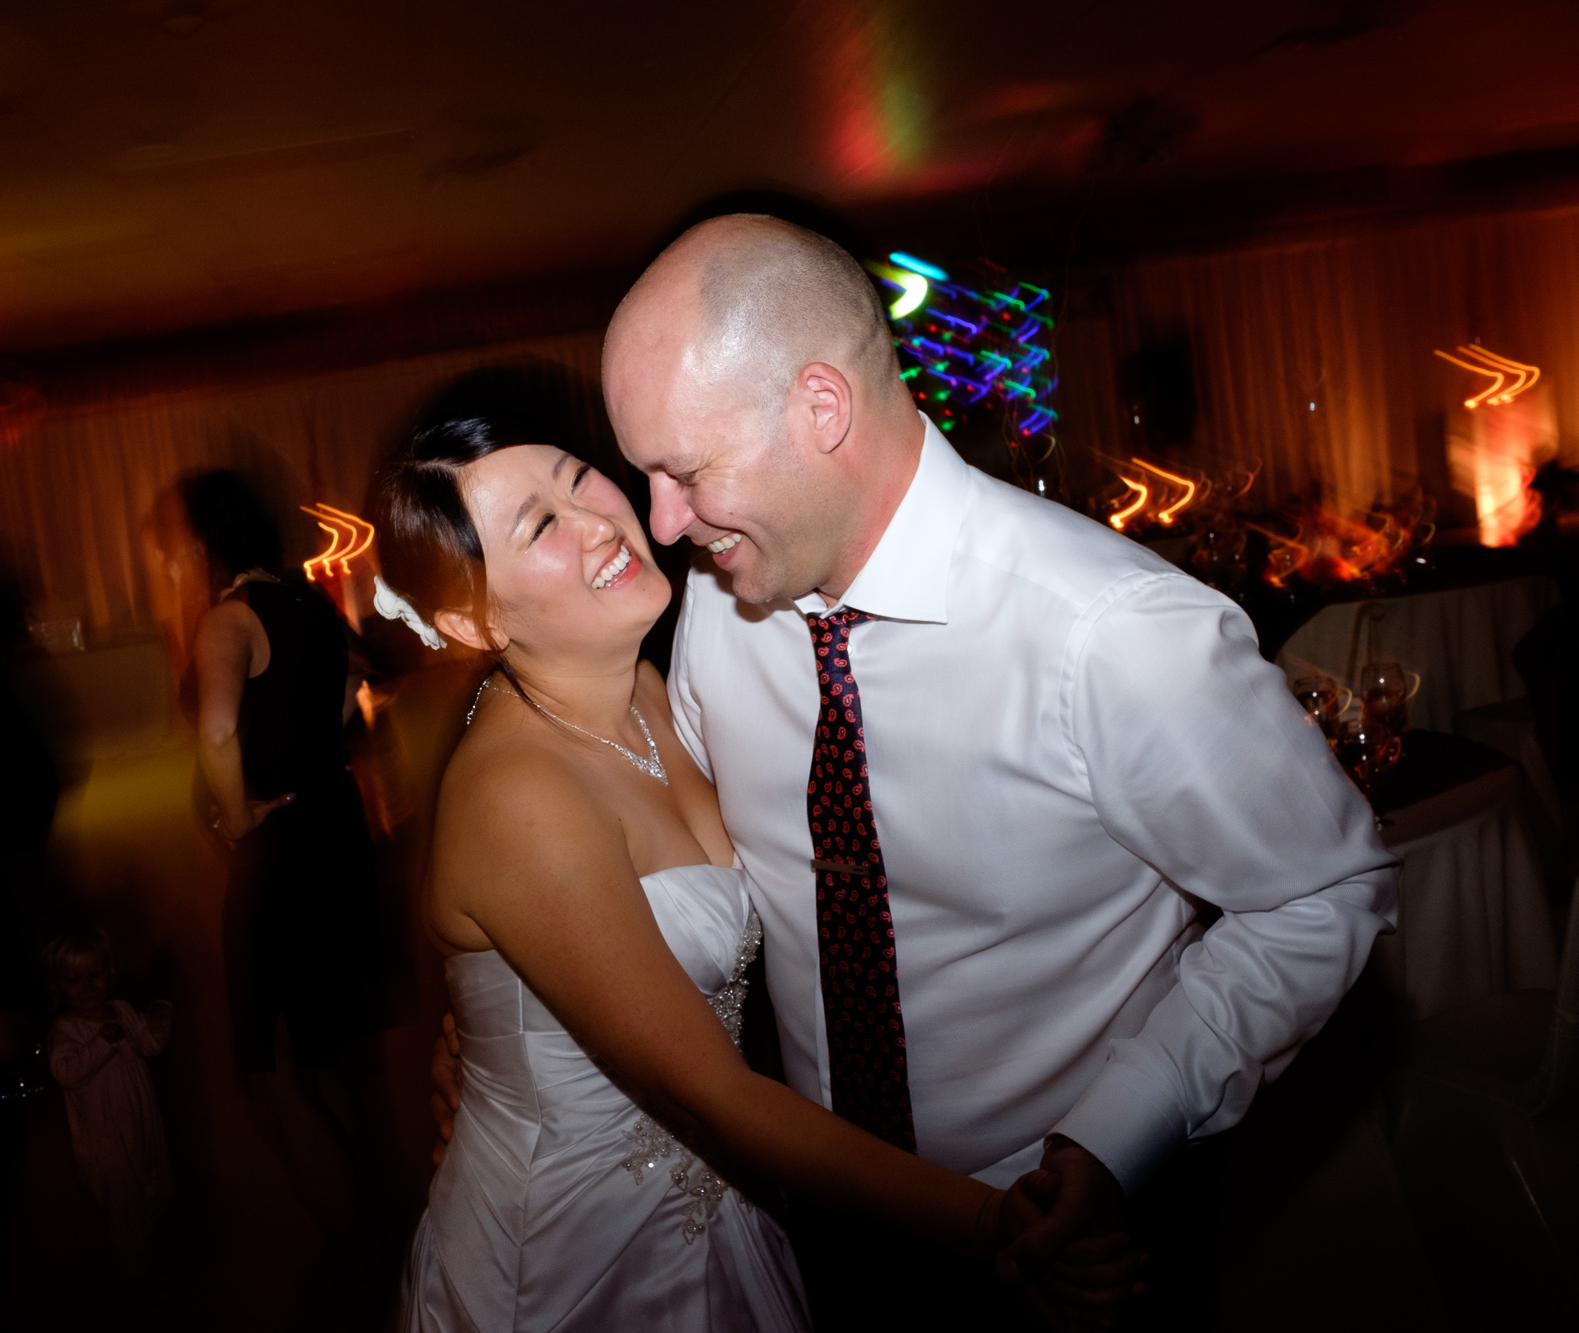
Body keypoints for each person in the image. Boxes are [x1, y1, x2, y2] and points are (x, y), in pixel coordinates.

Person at [577, 213, 1398, 1326]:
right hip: (820, 1218)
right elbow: (692, 868)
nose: (664, 524)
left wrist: (1117, 1134)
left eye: (685, 470)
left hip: (1077, 1241)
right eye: (645, 478)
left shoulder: (1109, 632)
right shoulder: (726, 615)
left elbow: (1320, 891)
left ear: (820, 409)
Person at [378, 404, 1138, 1332]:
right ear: (470, 614)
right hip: (574, 1256)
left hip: (720, 1200)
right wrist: (992, 1222)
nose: (596, 521)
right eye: (539, 526)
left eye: (579, 477)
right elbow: (714, 1091)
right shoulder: (518, 795)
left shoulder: (657, 688)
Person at [175, 469, 396, 1266]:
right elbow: (360, 678)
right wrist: (311, 753)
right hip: (332, 832)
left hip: (278, 853)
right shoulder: (310, 602)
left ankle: (358, 1262)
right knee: (326, 1057)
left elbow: (220, 732)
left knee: (271, 1077)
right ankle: (383, 1233)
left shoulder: (228, 619)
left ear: (204, 544)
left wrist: (237, 820)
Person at [45, 928, 174, 1274]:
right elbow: (66, 1072)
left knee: (156, 1187)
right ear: (57, 985)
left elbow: (148, 1045)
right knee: (124, 1204)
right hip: (106, 1136)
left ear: (110, 973)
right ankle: (134, 1273)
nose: (87, 985)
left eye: (95, 975)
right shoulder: (65, 1028)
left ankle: (154, 1250)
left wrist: (159, 1024)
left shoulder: (122, 1010)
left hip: (143, 1121)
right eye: (74, 979)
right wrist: (100, 1043)